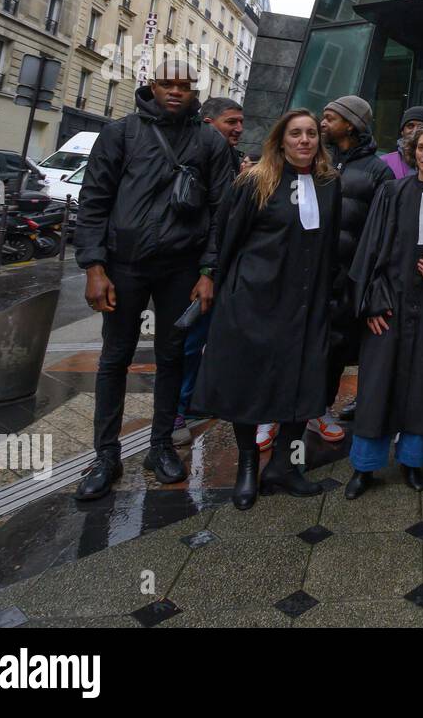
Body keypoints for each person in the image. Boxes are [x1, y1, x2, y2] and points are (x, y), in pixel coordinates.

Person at [72, 57, 233, 501]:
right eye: (167, 84)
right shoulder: (120, 133)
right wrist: (94, 267)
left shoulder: (208, 141)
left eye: (184, 85)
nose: (175, 91)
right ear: (152, 86)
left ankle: (160, 444)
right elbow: (94, 201)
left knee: (172, 357)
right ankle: (105, 455)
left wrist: (208, 272)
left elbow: (221, 212)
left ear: (193, 89)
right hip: (123, 266)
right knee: (114, 359)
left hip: (180, 268)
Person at [193, 109, 341, 509]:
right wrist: (217, 281)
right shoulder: (254, 181)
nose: (305, 140)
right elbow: (227, 237)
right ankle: (246, 468)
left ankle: (284, 467)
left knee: (302, 382)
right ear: (281, 140)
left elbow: (330, 244)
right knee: (251, 383)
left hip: (307, 304)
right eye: (296, 133)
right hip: (256, 300)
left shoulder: (329, 184)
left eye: (311, 133)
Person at [344, 120, 423, 498]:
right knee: (376, 382)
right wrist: (370, 303)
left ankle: (414, 462)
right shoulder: (390, 191)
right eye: (420, 148)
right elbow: (369, 251)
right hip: (390, 299)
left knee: (422, 379)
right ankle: (365, 466)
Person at [306, 95, 393, 435]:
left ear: (352, 124)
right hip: (307, 270)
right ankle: (282, 408)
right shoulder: (313, 157)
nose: (322, 123)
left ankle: (321, 407)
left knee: (336, 344)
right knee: (296, 338)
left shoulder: (378, 170)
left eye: (330, 118)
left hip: (347, 273)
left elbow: (382, 228)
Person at [175, 95, 246, 446]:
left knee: (203, 337)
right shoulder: (192, 157)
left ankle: (192, 402)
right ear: (208, 123)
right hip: (195, 264)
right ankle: (177, 409)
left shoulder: (232, 160)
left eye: (240, 122)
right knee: (187, 338)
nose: (239, 129)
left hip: (219, 264)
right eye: (231, 122)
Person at [380, 106, 423, 180]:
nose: (415, 130)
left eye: (421, 126)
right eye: (410, 126)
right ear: (402, 131)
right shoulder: (385, 162)